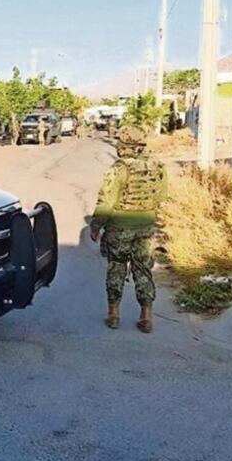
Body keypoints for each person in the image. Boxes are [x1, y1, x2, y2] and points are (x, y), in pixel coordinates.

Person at [89, 125, 167, 333]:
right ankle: (147, 316)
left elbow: (106, 202)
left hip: (119, 227)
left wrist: (96, 226)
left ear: (124, 146)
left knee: (116, 267)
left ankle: (113, 314)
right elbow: (161, 198)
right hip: (146, 227)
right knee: (143, 270)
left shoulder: (119, 169)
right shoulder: (158, 166)